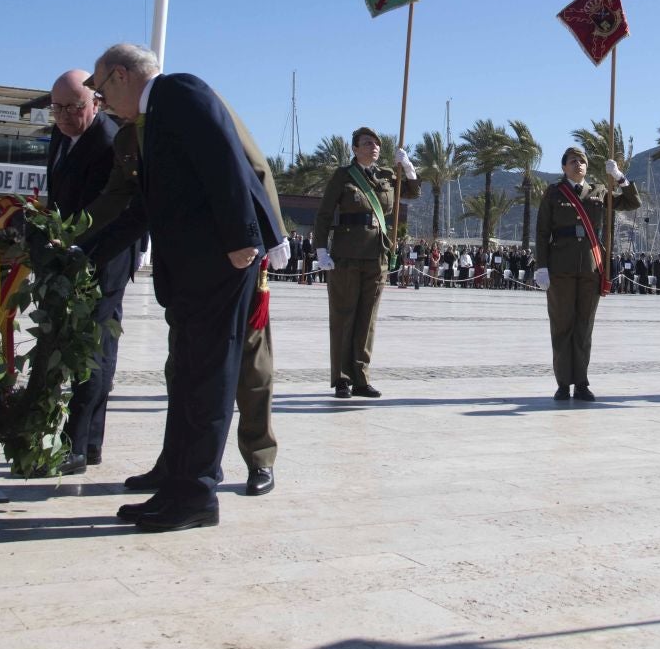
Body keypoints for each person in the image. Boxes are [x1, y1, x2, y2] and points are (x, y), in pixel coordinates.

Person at [86, 43, 278, 532]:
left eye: (100, 86)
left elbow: (226, 158)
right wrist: (84, 252)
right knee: (190, 380)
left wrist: (243, 240)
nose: (100, 99)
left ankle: (195, 497)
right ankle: (177, 484)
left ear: (123, 75)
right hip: (193, 273)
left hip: (218, 264)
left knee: (209, 381)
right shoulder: (150, 123)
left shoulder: (179, 90)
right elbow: (145, 208)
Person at [42, 69, 132, 474]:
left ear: (95, 103)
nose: (62, 116)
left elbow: (115, 211)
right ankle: (87, 442)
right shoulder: (61, 134)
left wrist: (78, 247)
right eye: (56, 108)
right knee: (81, 345)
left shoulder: (110, 142)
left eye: (73, 108)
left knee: (92, 349)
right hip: (68, 253)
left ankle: (77, 445)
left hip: (103, 258)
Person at [310, 127, 420, 399]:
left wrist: (408, 168)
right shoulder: (343, 176)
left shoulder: (386, 175)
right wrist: (321, 249)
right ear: (355, 149)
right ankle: (342, 379)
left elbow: (412, 193)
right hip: (346, 255)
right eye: (367, 143)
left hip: (377, 254)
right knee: (344, 316)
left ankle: (361, 377)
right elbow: (324, 214)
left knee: (367, 319)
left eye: (377, 144)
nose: (374, 147)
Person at [533, 147, 639, 401]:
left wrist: (621, 178)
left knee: (584, 328)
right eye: (572, 161)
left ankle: (581, 382)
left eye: (582, 161)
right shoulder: (554, 192)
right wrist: (542, 266)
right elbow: (541, 231)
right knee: (562, 326)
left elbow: (633, 203)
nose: (578, 164)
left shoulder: (600, 192)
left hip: (591, 267)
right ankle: (562, 384)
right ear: (563, 167)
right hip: (560, 267)